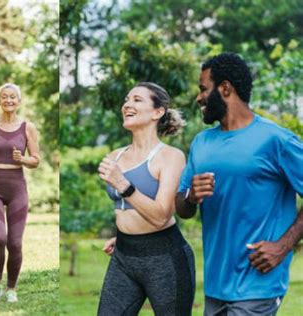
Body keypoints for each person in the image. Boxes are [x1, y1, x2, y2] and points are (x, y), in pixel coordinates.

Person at [176, 52, 303, 315]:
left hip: (258, 286)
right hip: (215, 287)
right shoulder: (201, 143)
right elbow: (182, 208)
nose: (199, 97)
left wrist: (282, 246)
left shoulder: (275, 140)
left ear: (225, 88)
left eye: (203, 89)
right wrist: (190, 197)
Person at [97, 82, 195, 315]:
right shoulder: (115, 156)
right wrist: (125, 233)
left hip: (166, 258)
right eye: (126, 100)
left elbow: (162, 215)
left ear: (157, 112)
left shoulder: (170, 157)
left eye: (137, 100)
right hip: (124, 255)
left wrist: (122, 183)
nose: (127, 104)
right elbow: (124, 209)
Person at [0, 83, 40, 303]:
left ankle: (11, 288)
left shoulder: (27, 127)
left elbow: (36, 159)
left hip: (17, 189)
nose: (9, 100)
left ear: (19, 101)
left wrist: (22, 159)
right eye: (4, 97)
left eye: (13, 97)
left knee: (15, 242)